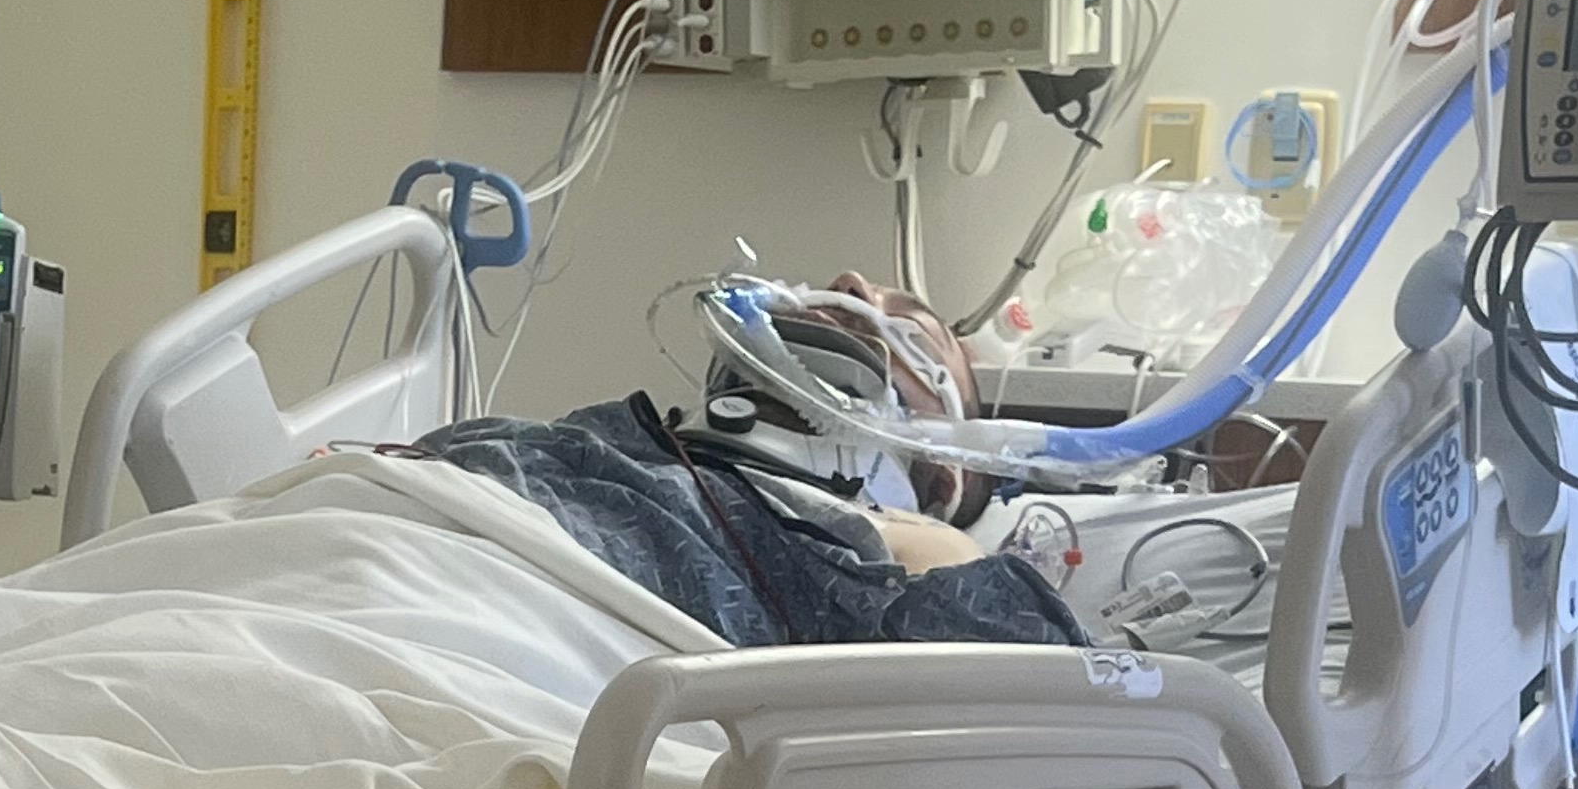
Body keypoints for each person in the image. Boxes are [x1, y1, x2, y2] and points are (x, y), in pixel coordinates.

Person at [402, 273, 1078, 653]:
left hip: (480, 643)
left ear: (942, 477)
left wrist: (924, 538)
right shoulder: (605, 436)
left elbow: (1019, 679)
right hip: (394, 537)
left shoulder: (879, 548)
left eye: (909, 328)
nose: (848, 284)